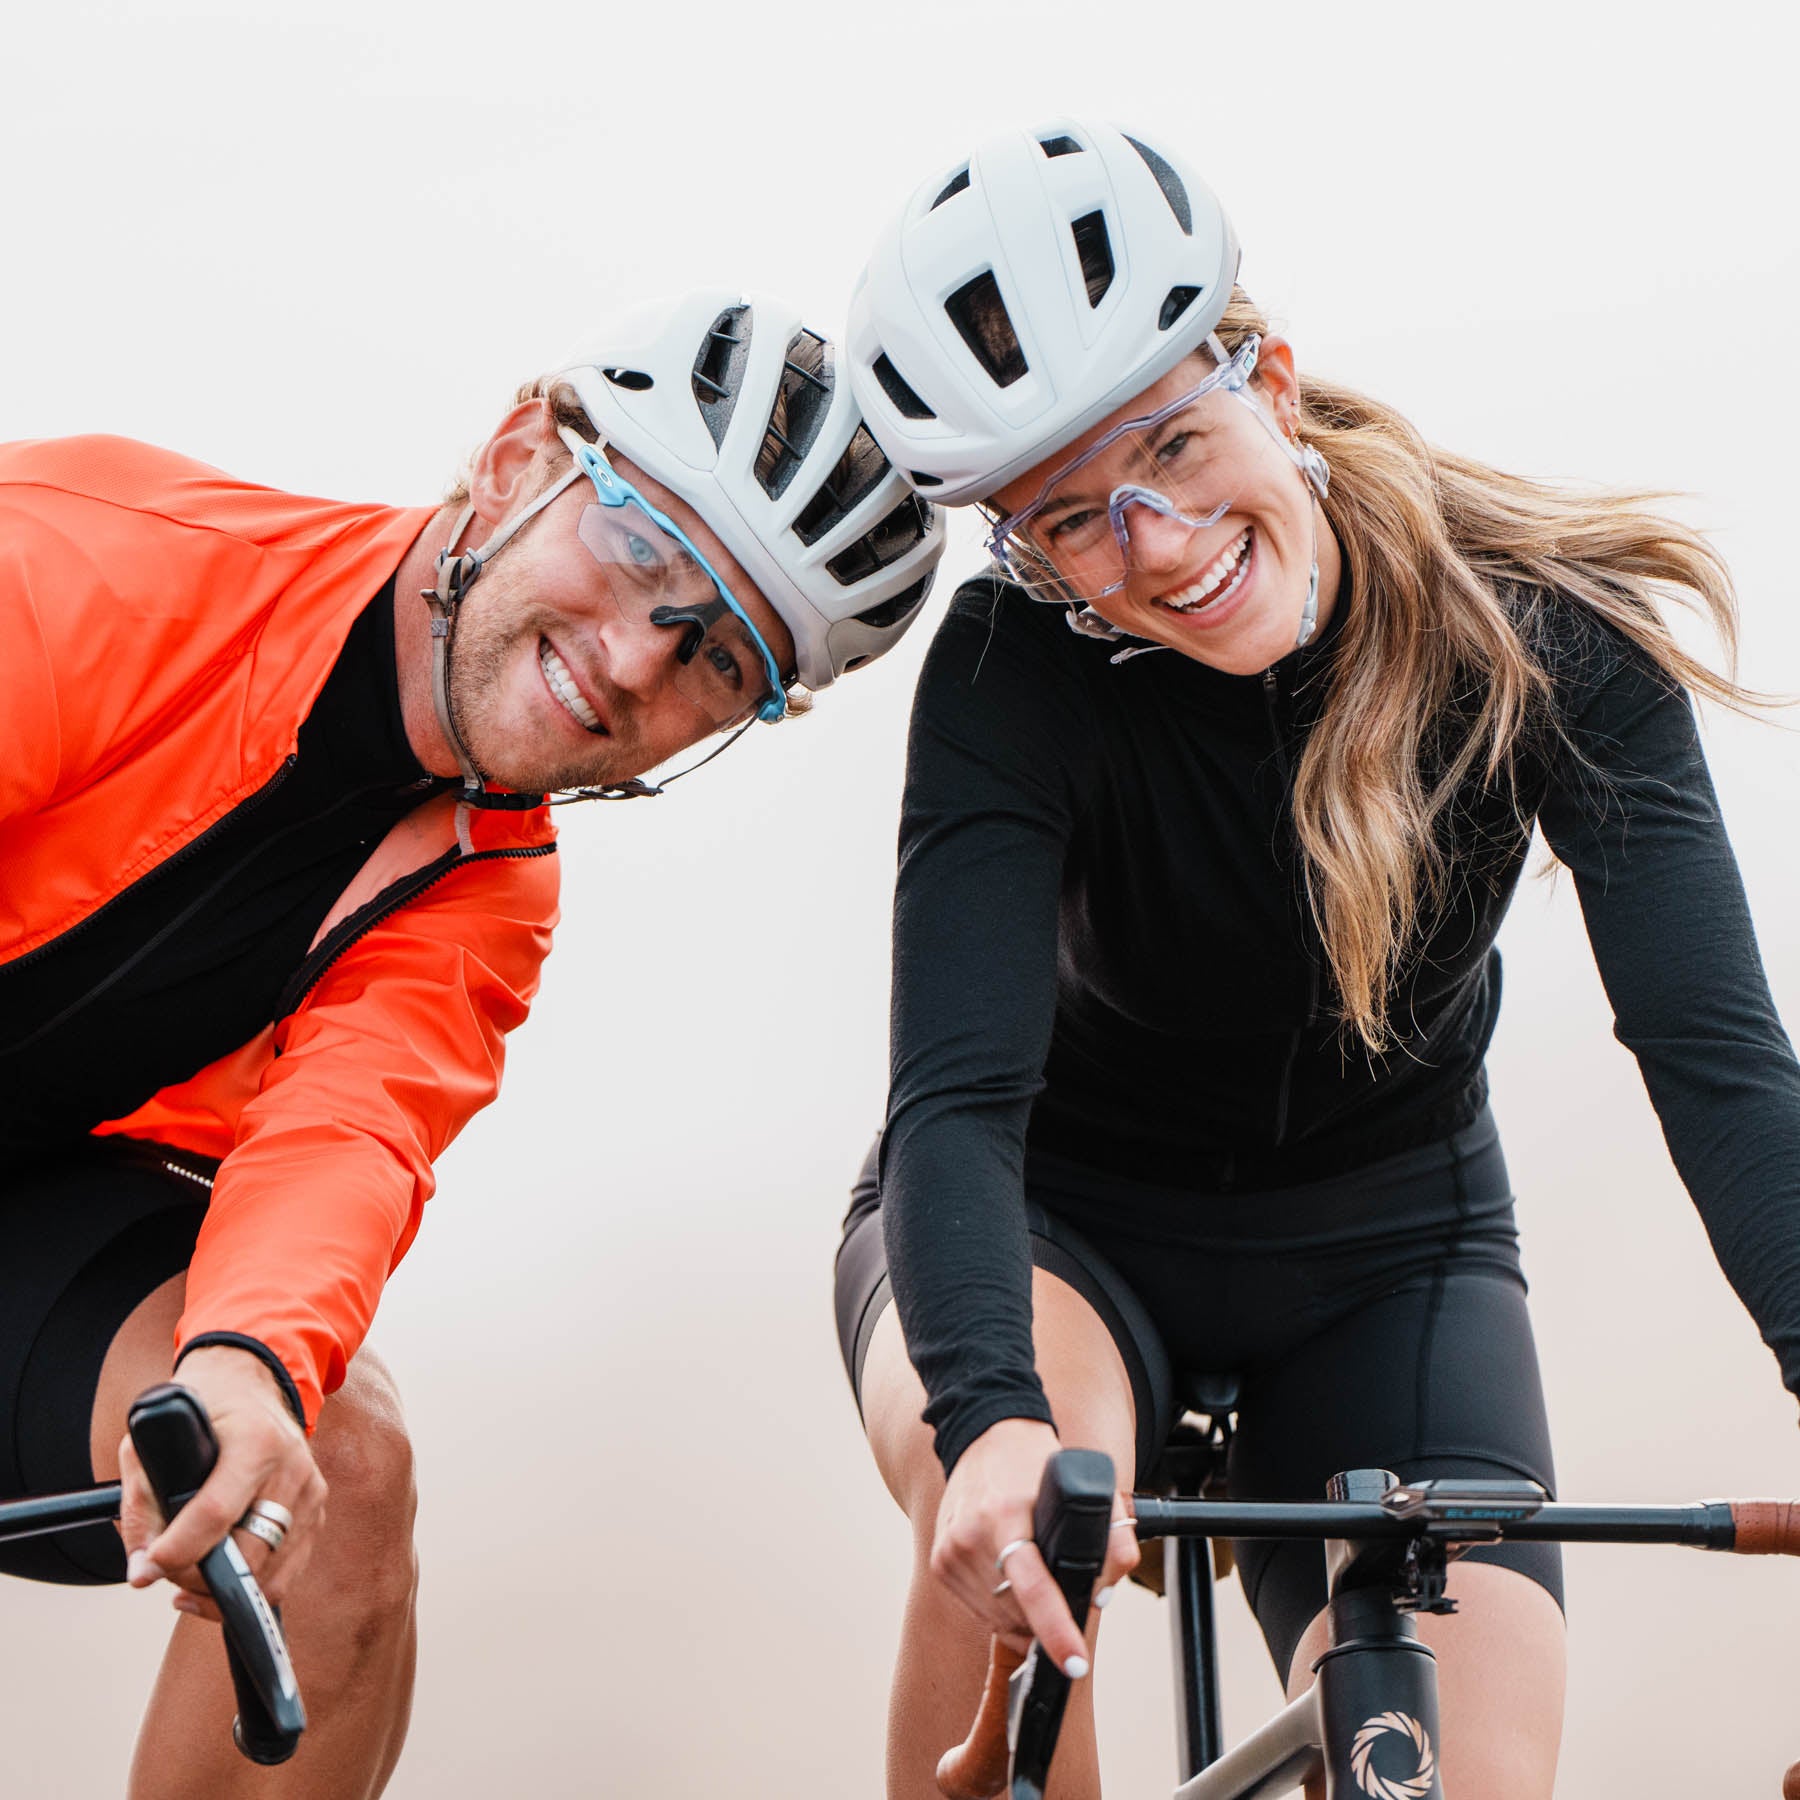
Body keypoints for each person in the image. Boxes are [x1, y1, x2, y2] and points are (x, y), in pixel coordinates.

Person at [830, 119, 1800, 1800]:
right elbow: (958, 1098)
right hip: (1055, 1225)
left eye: (1179, 448)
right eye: (1072, 521)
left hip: (1389, 1256)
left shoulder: (1547, 639)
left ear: (1269, 378)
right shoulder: (1012, 671)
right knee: (1002, 1524)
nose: (1156, 542)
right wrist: (985, 1416)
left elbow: (1718, 1064)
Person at [0, 286, 943, 1798]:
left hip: (34, 1191)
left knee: (336, 1462)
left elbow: (345, 1142)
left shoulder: (488, 884)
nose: (640, 660)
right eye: (642, 548)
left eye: (720, 660)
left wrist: (246, 1366)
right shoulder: (87, 558)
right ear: (518, 455)